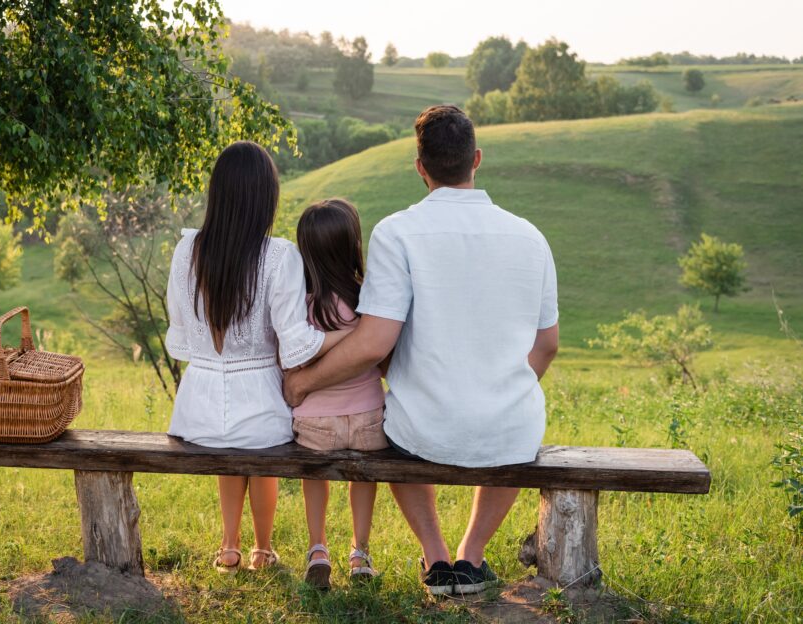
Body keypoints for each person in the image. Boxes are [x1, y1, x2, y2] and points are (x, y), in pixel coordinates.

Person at [284, 105, 560, 596]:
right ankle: (470, 559)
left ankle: (436, 558)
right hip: (509, 423)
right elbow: (547, 345)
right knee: (515, 431)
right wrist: (500, 391)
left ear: (420, 166)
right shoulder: (531, 237)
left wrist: (304, 381)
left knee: (397, 425)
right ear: (476, 159)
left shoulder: (397, 232)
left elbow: (373, 343)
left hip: (423, 425)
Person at [165, 141, 350, 574]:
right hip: (262, 407)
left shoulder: (186, 252)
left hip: (196, 412)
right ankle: (262, 549)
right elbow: (299, 344)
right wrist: (347, 333)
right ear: (265, 197)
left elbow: (180, 335)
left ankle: (229, 546)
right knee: (259, 446)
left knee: (232, 451)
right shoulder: (279, 255)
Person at [291, 198, 387, 590]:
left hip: (314, 423)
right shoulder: (369, 300)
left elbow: (292, 363)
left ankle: (318, 548)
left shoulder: (302, 304)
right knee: (363, 477)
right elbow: (381, 359)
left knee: (315, 474)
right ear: (353, 245)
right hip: (368, 420)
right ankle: (360, 554)